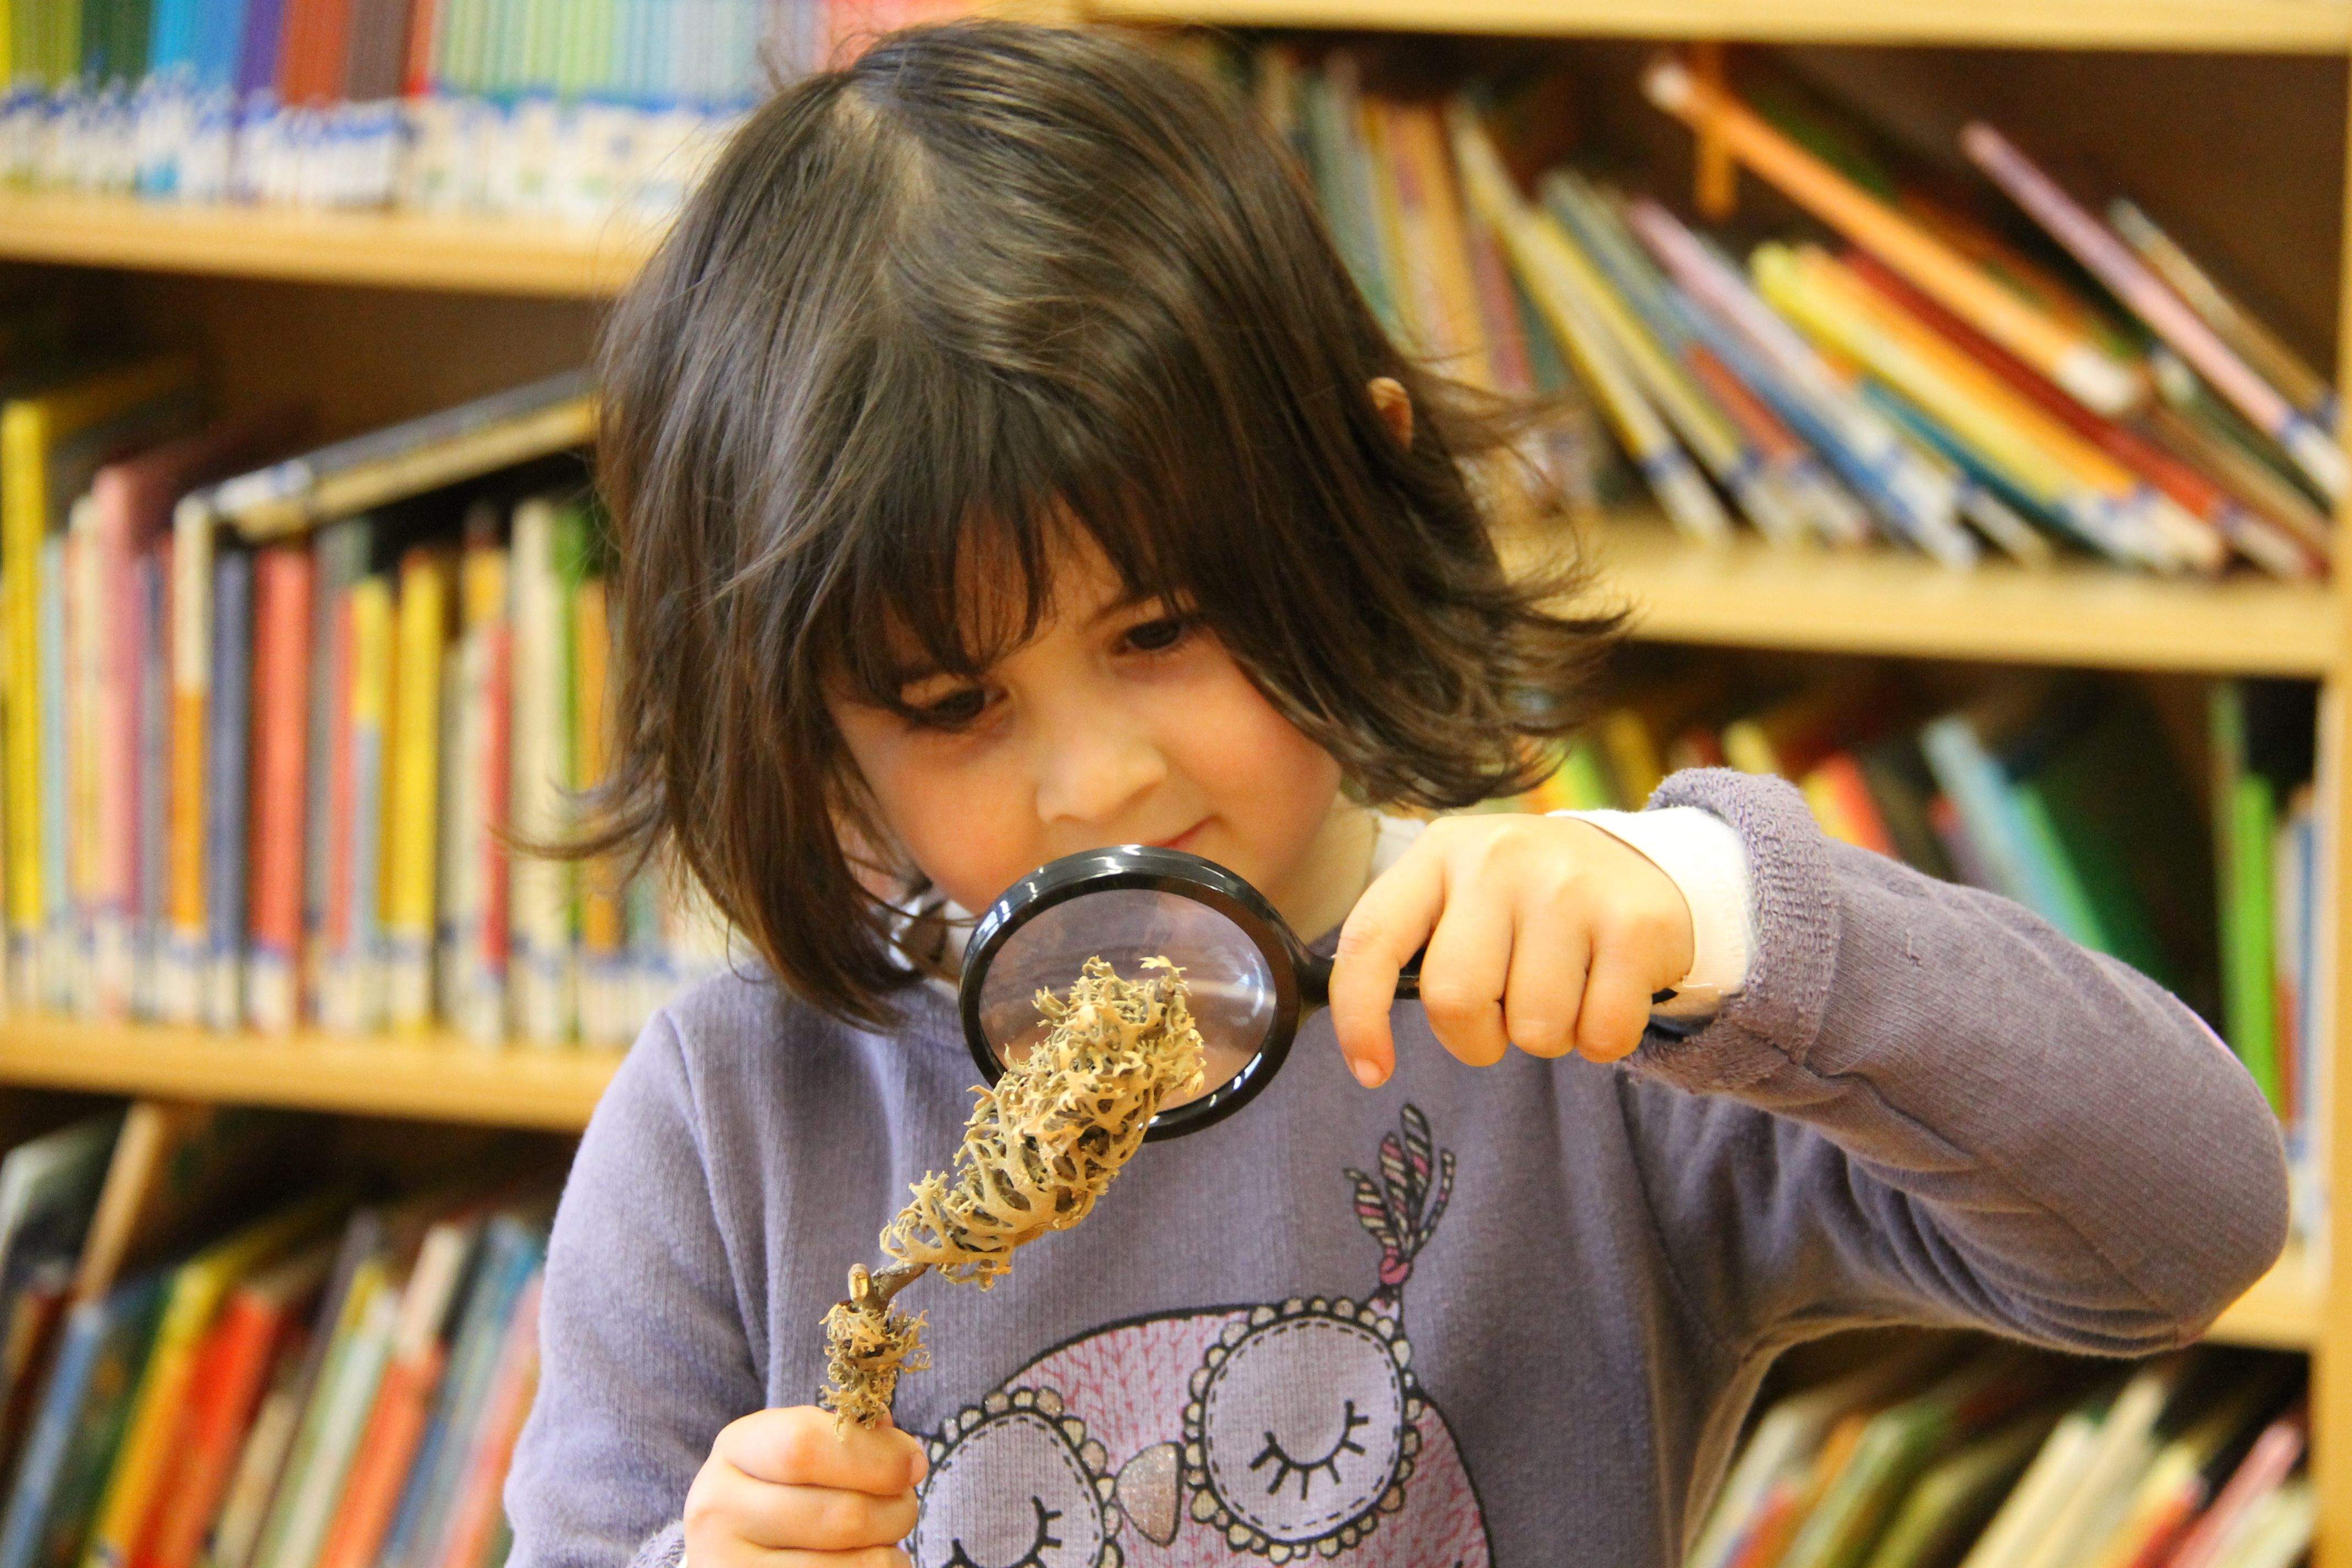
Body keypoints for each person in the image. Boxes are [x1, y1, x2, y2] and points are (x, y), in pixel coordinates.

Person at [502, 22, 2288, 1568]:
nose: (1101, 779)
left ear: (1342, 509)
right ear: (805, 733)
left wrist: (1731, 926)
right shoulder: (734, 1119)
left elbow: (2186, 1232)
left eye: (1166, 627)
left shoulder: (1585, 1029)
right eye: (956, 705)